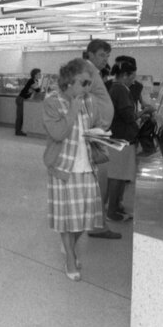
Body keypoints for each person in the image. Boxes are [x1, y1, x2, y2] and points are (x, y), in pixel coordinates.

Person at [43, 58, 106, 281]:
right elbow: (58, 134)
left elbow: (97, 125)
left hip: (87, 165)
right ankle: (70, 256)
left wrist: (100, 135)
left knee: (84, 219)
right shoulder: (52, 102)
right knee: (67, 218)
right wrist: (72, 110)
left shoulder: (90, 101)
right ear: (69, 82)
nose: (88, 88)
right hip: (63, 168)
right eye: (84, 83)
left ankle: (68, 245)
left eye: (90, 83)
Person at [82, 39, 119, 240]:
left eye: (107, 55)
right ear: (91, 54)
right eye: (102, 55)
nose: (106, 60)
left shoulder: (92, 72)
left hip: (98, 131)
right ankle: (97, 226)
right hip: (95, 133)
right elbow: (80, 97)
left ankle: (97, 223)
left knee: (99, 180)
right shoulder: (87, 71)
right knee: (99, 181)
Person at [106, 59, 139, 222]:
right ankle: (112, 210)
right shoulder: (120, 90)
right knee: (117, 176)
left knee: (118, 175)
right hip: (121, 139)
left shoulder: (116, 88)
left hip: (117, 138)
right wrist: (143, 113)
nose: (134, 79)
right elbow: (128, 115)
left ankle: (116, 206)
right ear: (125, 75)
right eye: (132, 76)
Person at [15, 68, 42, 136]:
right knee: (20, 117)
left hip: (24, 99)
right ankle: (17, 131)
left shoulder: (35, 81)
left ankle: (19, 130)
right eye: (39, 74)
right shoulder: (31, 81)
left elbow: (36, 90)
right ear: (35, 75)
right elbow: (38, 90)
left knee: (22, 116)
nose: (40, 75)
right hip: (21, 99)